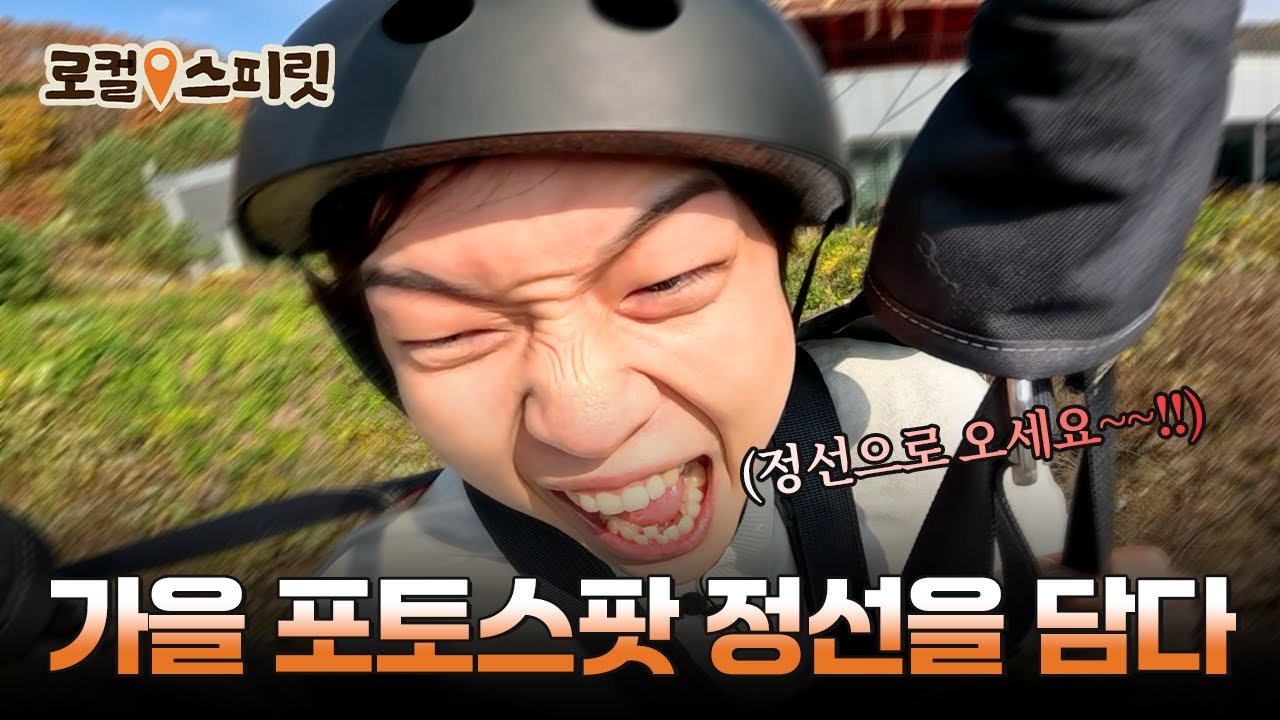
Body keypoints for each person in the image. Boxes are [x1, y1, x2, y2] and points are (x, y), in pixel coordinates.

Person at [231, 0, 1230, 712]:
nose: (584, 423)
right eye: (447, 335)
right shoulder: (395, 608)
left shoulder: (938, 422)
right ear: (382, 359)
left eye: (666, 282)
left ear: (784, 260)